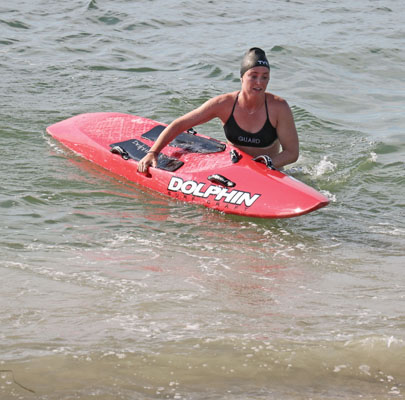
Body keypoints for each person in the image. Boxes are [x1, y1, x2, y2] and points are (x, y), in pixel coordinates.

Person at [137, 47, 298, 173]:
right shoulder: (224, 104)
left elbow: (291, 152)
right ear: (242, 77)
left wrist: (266, 164)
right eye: (253, 75)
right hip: (237, 169)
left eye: (265, 77)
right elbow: (180, 124)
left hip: (269, 172)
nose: (259, 82)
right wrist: (153, 152)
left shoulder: (278, 108)